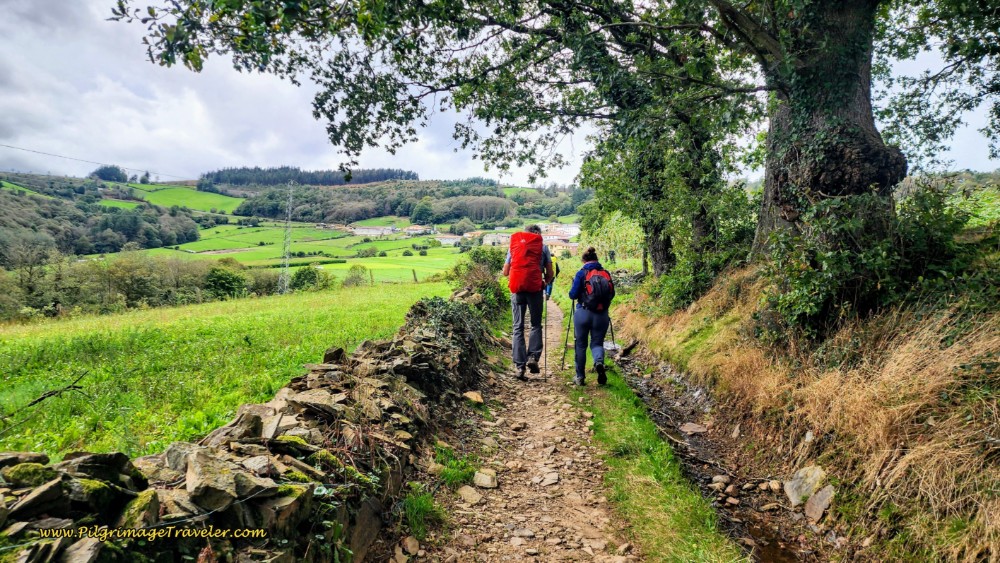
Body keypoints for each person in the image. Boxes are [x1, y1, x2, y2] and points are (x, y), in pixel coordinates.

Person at [503, 224, 555, 380]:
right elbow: (550, 272)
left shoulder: (514, 246)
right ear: (537, 234)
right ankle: (533, 356)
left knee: (517, 327)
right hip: (535, 290)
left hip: (517, 290)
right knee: (535, 324)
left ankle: (520, 367)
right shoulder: (543, 248)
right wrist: (545, 281)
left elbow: (505, 271)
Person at [567, 247, 615, 386]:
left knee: (581, 345)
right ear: (597, 259)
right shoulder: (605, 273)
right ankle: (598, 362)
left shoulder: (581, 273)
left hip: (583, 312)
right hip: (601, 315)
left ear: (584, 260)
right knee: (597, 343)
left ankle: (580, 377)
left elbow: (573, 295)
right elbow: (612, 294)